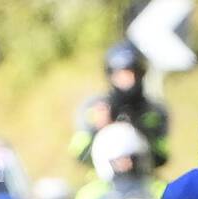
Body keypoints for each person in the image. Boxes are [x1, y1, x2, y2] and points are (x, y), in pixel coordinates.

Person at [70, 42, 169, 170]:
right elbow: (78, 154)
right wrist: (98, 129)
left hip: (142, 179)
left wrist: (136, 129)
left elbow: (162, 155)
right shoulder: (94, 109)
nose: (127, 80)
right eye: (121, 75)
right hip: (105, 181)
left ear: (141, 74)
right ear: (110, 75)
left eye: (132, 73)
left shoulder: (154, 112)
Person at [71, 122, 164, 199]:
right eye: (119, 161)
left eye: (132, 158)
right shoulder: (90, 195)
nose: (127, 164)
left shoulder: (158, 189)